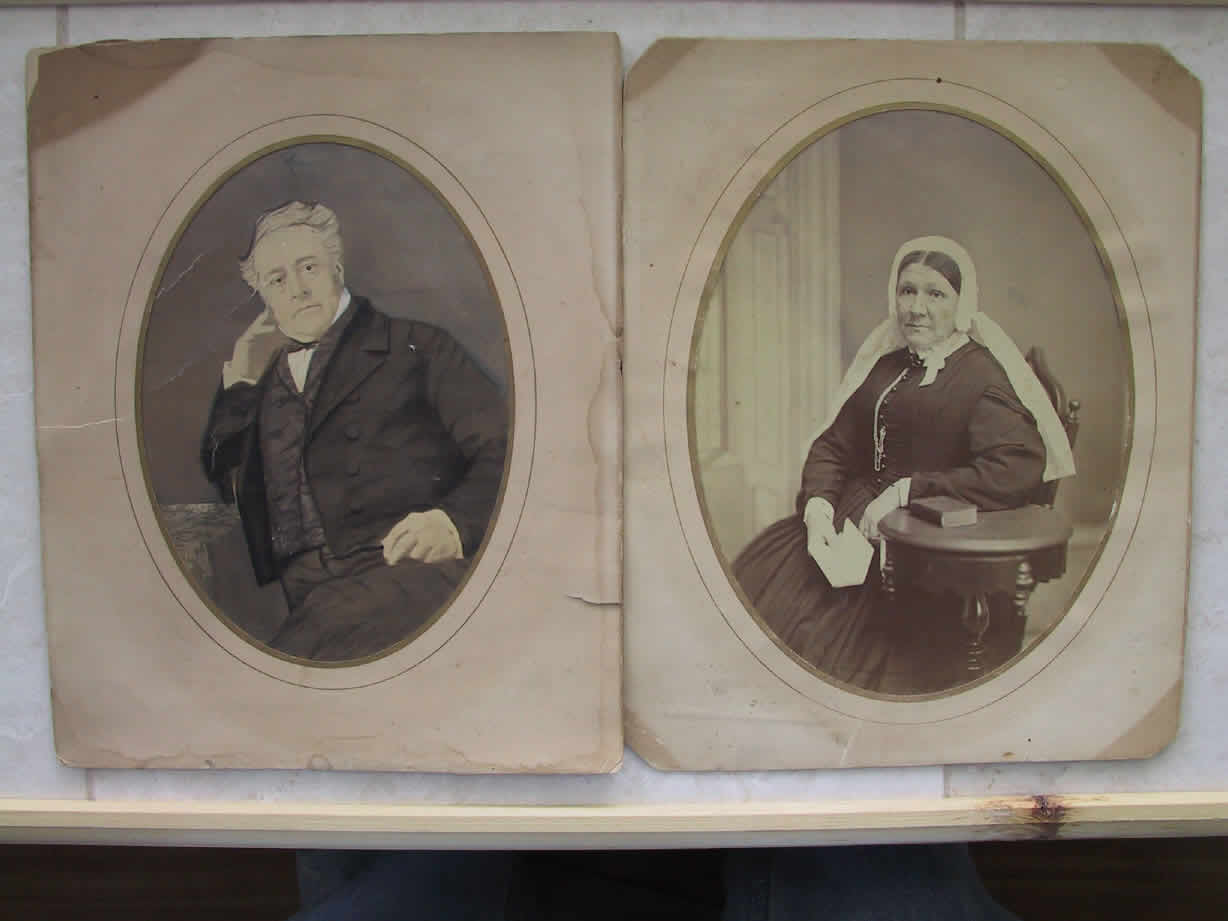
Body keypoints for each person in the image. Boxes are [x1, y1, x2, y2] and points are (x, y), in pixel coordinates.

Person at [732, 236, 1075, 694]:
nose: (917, 308)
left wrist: (907, 490)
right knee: (764, 597)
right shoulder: (887, 366)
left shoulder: (980, 376)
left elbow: (1014, 468)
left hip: (929, 550)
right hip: (849, 524)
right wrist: (818, 509)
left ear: (961, 304)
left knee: (832, 651)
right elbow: (833, 446)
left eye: (935, 294)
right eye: (907, 291)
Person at [202, 201, 507, 662]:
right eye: (277, 280)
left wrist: (453, 521)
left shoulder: (415, 346)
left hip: (405, 574)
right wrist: (241, 377)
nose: (298, 290)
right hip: (307, 594)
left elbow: (508, 448)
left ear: (337, 269)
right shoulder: (263, 384)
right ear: (263, 298)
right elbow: (222, 473)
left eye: (308, 267)